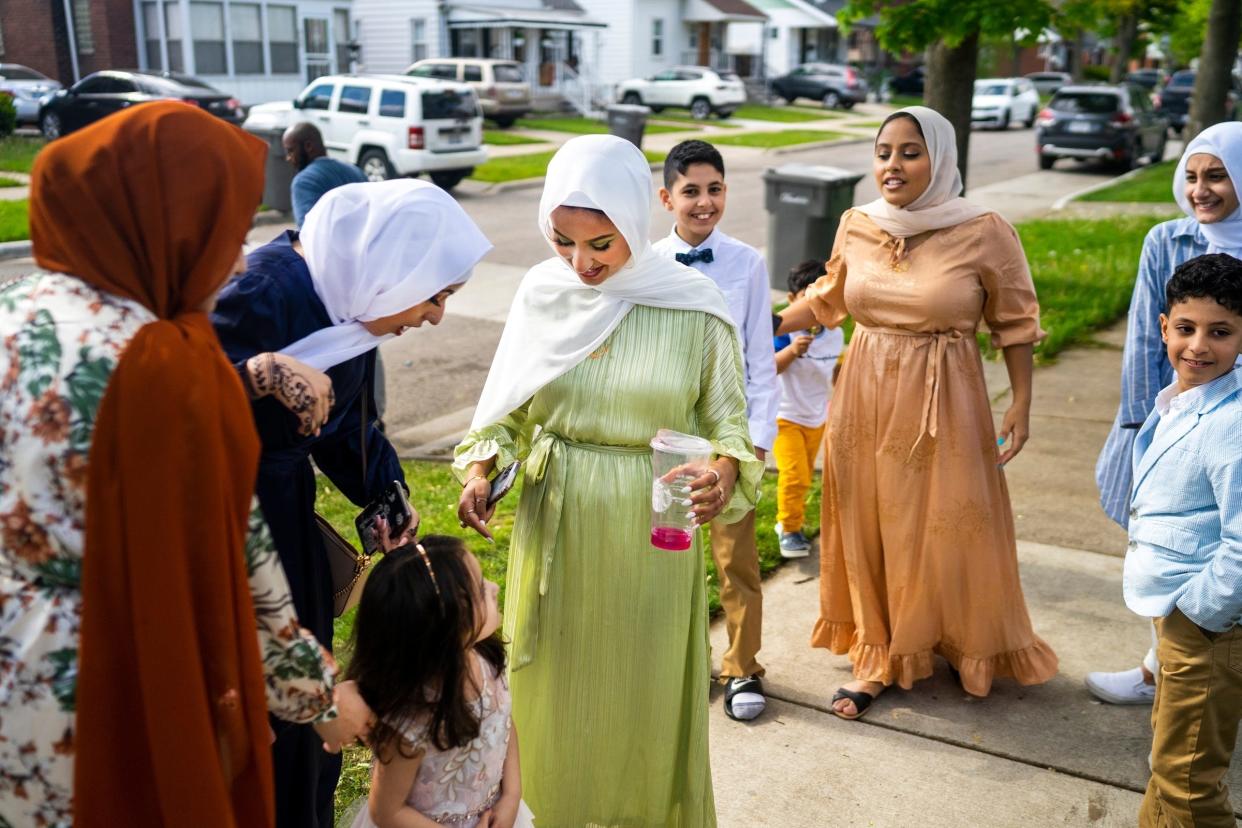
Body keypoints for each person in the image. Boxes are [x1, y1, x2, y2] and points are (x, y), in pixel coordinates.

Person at [0, 102, 370, 826]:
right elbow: (236, 564)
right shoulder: (165, 363)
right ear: (164, 227)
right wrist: (322, 700)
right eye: (225, 237)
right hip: (122, 673)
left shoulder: (15, 312)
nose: (235, 265)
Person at [454, 134, 761, 826]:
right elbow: (506, 415)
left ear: (634, 222)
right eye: (563, 241)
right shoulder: (543, 293)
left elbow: (730, 427)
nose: (580, 262)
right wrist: (481, 470)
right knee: (554, 686)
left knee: (641, 687)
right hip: (556, 521)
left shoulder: (694, 303)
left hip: (656, 525)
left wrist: (719, 472)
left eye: (600, 243)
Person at [213, 179, 492, 828]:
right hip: (230, 520)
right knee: (260, 700)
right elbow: (178, 392)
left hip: (285, 514)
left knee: (306, 685)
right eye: (436, 294)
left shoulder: (350, 299)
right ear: (394, 268)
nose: (434, 316)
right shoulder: (264, 292)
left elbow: (345, 426)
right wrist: (258, 376)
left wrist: (383, 497)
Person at [778, 106, 1058, 719]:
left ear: (941, 156)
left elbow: (1015, 322)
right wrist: (754, 322)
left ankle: (956, 637)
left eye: (910, 151)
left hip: (947, 396)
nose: (893, 165)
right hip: (864, 393)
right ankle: (878, 654)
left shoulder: (984, 229)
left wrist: (1022, 403)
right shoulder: (857, 223)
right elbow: (826, 298)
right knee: (873, 518)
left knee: (949, 523)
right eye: (883, 152)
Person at [1088, 120, 1242, 706]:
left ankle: (1192, 667)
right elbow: (1144, 338)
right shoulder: (1167, 240)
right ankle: (1161, 666)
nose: (1202, 189)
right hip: (1177, 416)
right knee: (1167, 542)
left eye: (1218, 175)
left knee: (1227, 543)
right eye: (1193, 176)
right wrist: (1137, 425)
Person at [652, 139, 779, 722]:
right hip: (672, 434)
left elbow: (759, 355)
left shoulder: (747, 263)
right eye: (691, 192)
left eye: (715, 189)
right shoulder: (646, 263)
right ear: (666, 198)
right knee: (670, 552)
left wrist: (754, 442)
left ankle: (742, 665)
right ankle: (679, 663)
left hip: (729, 436)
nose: (704, 203)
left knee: (735, 559)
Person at [1121, 253, 1242, 827]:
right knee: (1168, 764)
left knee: (1189, 784)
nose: (1198, 345)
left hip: (1209, 624)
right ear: (1163, 326)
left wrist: (1200, 611)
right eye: (1186, 328)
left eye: (1220, 332)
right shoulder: (1182, 399)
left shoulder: (1234, 422)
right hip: (1177, 613)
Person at [343, 536, 532, 828]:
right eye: (480, 589)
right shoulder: (411, 720)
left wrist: (511, 795)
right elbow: (386, 811)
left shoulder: (487, 660)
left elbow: (503, 724)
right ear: (445, 629)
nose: (494, 588)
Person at [772, 259, 844, 558]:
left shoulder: (836, 334)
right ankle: (789, 529)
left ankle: (790, 521)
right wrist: (791, 350)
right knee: (795, 475)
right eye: (808, 299)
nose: (816, 309)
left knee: (803, 476)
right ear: (792, 301)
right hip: (784, 417)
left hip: (817, 418)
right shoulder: (782, 332)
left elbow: (834, 372)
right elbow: (767, 369)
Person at [284, 121, 367, 228]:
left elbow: (308, 233)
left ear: (308, 146)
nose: (288, 158)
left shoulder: (304, 181)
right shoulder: (356, 171)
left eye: (290, 150)